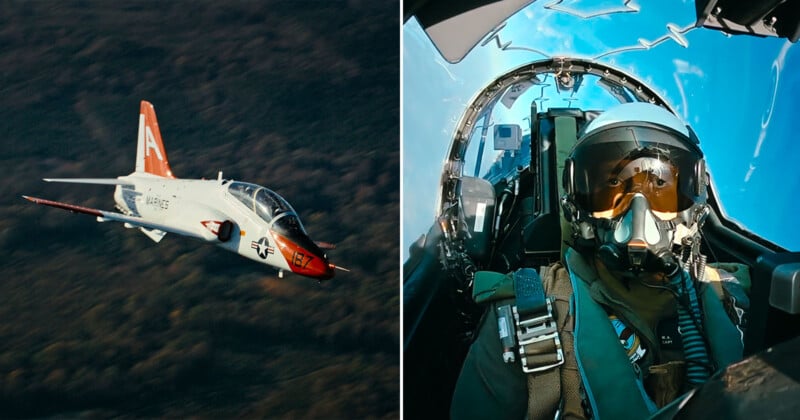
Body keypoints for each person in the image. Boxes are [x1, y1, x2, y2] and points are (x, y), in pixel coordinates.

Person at [450, 103, 749, 419]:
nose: (639, 213)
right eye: (611, 188)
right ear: (577, 208)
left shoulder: (736, 298)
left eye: (660, 188)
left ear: (695, 207)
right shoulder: (519, 317)